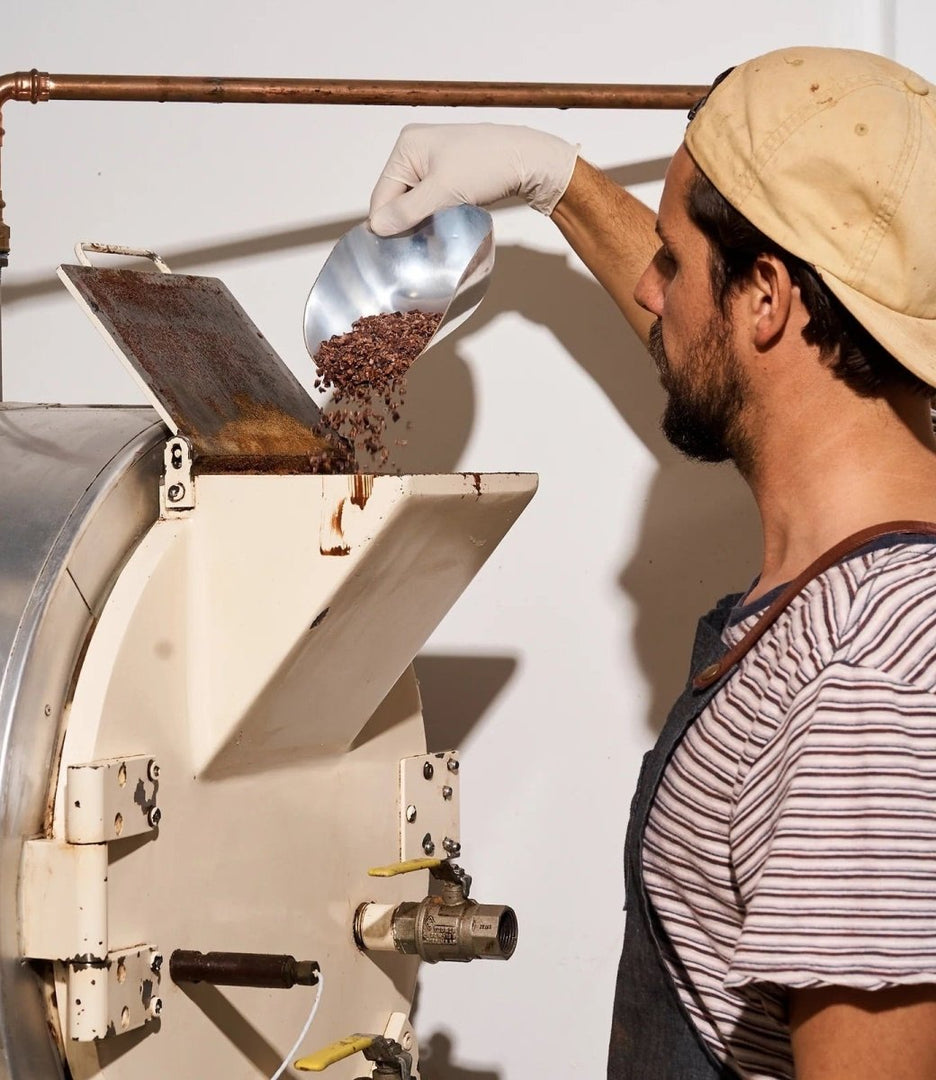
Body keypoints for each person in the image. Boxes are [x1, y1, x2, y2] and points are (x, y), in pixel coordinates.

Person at [368, 47, 936, 1080]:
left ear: (770, 296)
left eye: (670, 261)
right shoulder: (870, 537)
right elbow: (723, 349)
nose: (647, 286)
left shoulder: (862, 688)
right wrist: (559, 182)